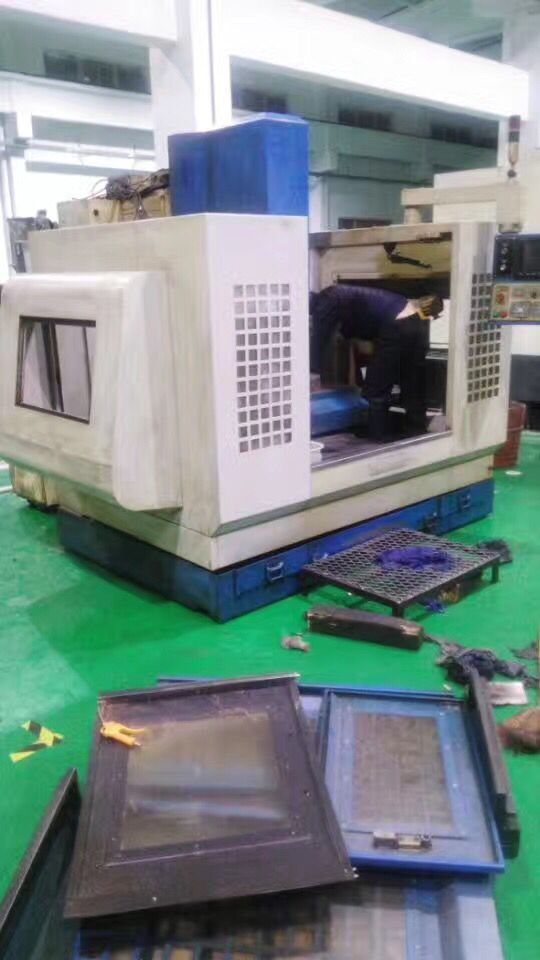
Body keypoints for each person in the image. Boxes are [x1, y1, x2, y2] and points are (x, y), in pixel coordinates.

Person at [310, 284, 443, 440]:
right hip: (413, 323)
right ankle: (416, 427)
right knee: (412, 378)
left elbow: (319, 340)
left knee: (377, 386)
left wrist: (313, 371)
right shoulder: (345, 294)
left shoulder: (325, 300)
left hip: (397, 325)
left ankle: (377, 433)